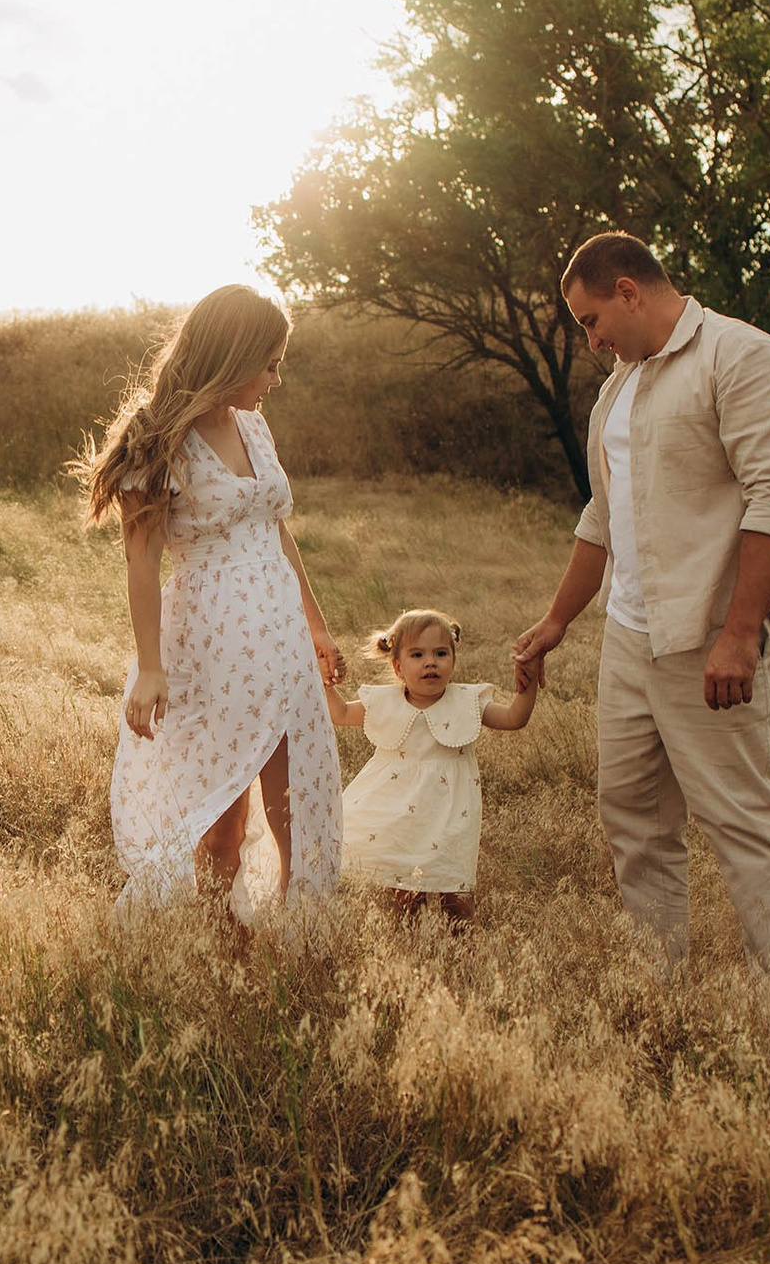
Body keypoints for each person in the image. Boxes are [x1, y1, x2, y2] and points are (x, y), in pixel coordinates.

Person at [511, 232, 770, 977]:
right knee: (634, 820)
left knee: (743, 820)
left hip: (705, 639)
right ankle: (658, 979)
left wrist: (740, 635)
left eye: (590, 320)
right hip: (628, 642)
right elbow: (601, 518)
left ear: (628, 290)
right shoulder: (620, 387)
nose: (591, 340)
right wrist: (557, 620)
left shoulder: (740, 356)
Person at [78, 284, 346, 916]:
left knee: (295, 805)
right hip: (212, 642)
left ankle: (297, 940)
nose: (276, 379)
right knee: (223, 818)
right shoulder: (156, 440)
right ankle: (220, 944)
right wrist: (149, 666)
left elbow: (274, 528)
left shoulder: (253, 426)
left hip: (280, 634)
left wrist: (317, 626)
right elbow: (140, 562)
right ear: (232, 355)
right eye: (270, 362)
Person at [326, 609, 537, 921]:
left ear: (453, 660)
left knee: (454, 891)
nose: (430, 662)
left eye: (441, 653)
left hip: (448, 813)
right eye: (417, 654)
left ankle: (461, 949)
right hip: (395, 810)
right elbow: (341, 714)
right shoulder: (386, 702)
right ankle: (408, 949)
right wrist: (324, 679)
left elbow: (513, 719)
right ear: (397, 667)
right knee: (404, 889)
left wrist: (527, 684)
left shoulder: (467, 701)